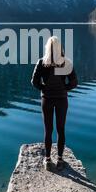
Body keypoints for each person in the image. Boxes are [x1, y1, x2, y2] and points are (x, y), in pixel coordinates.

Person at [31, 36, 78, 171]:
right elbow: (74, 82)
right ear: (60, 48)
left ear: (47, 48)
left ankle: (47, 159)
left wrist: (44, 88)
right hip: (62, 99)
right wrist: (64, 89)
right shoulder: (66, 62)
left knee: (48, 130)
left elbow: (34, 82)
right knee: (61, 129)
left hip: (47, 99)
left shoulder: (41, 62)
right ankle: (60, 159)